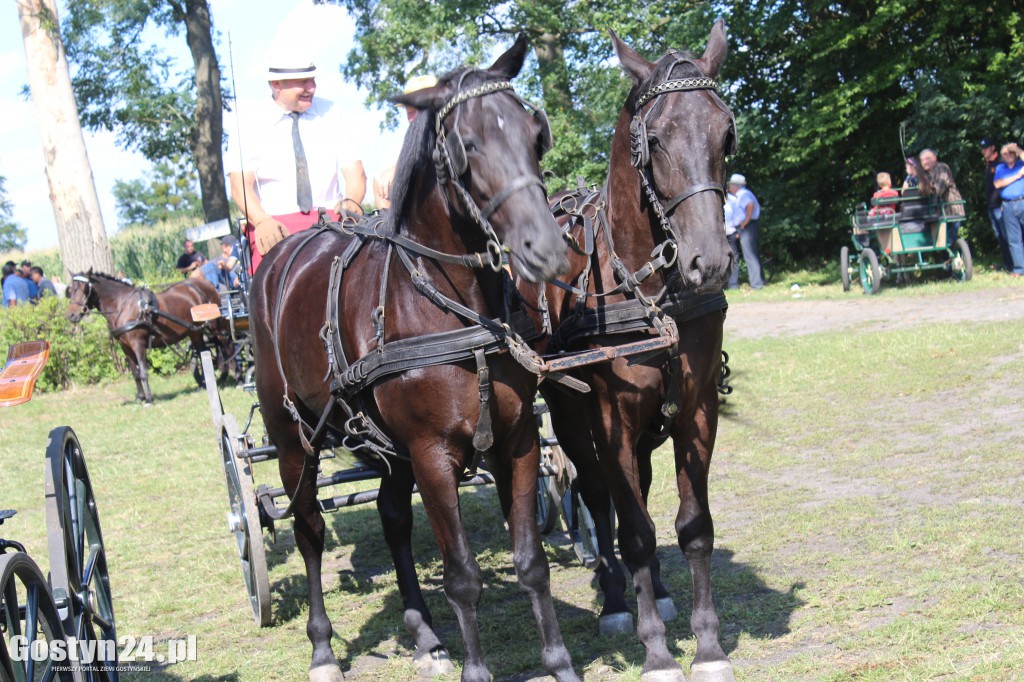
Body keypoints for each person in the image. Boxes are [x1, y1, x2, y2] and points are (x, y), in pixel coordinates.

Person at [226, 43, 367, 273]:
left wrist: (351, 201)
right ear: (276, 85)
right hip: (276, 225)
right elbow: (240, 186)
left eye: (312, 80)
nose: (311, 88)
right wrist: (261, 221)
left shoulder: (331, 112)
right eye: (302, 82)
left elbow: (355, 173)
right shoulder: (247, 120)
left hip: (333, 221)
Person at [373, 74, 438, 210]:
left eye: (418, 112)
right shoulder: (399, 147)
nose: (412, 120)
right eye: (409, 113)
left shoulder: (450, 135)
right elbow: (380, 180)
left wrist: (401, 167)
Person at [727, 173, 764, 289]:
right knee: (752, 253)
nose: (730, 188)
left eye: (731, 185)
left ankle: (757, 284)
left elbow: (750, 205)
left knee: (750, 255)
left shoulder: (743, 194)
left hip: (747, 227)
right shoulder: (744, 194)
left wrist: (745, 221)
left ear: (736, 186)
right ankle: (760, 281)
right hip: (749, 226)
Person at [992, 142, 1024, 277]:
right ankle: (1019, 269)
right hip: (1007, 205)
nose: (1008, 155)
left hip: (1022, 201)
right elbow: (998, 183)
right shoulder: (1000, 168)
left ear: (1016, 154)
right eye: (1005, 153)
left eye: (1011, 152)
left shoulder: (1021, 164)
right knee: (1013, 239)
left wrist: (1016, 148)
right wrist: (1017, 176)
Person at [982, 138, 1013, 272]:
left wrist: (1002, 203)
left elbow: (1005, 184)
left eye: (986, 148)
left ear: (993, 148)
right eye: (982, 148)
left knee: (1008, 235)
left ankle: (1014, 264)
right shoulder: (988, 164)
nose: (983, 151)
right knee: (1000, 236)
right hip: (992, 206)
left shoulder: (1000, 162)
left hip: (1000, 205)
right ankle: (1007, 264)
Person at [723, 191, 741, 290]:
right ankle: (720, 286)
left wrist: (738, 231)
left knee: (734, 259)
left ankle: (733, 284)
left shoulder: (734, 200)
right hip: (719, 234)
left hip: (732, 232)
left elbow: (738, 215)